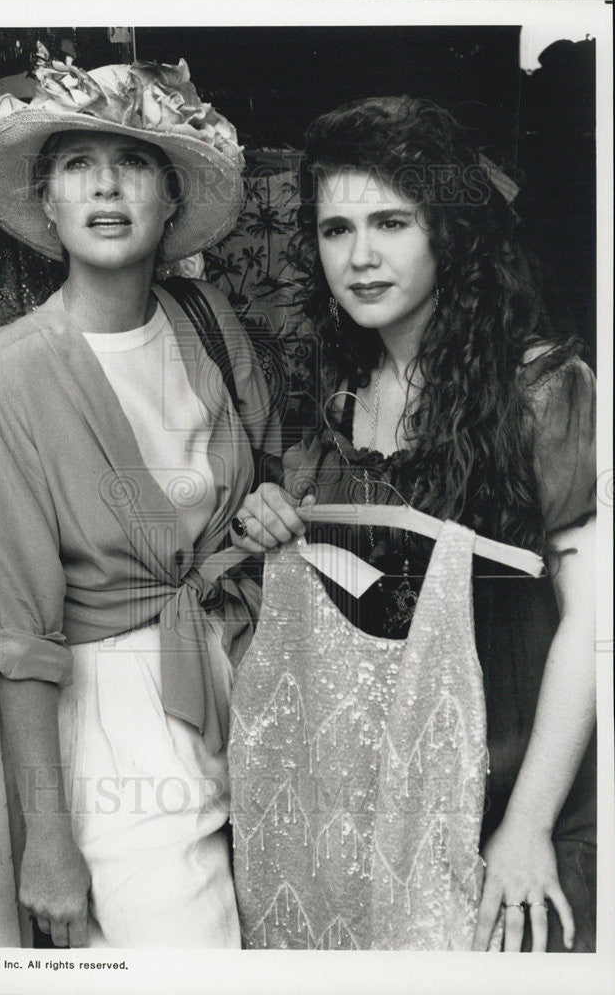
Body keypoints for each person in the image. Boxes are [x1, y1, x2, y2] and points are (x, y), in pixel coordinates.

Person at [229, 96, 596, 952]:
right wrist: (275, 522)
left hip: (522, 772)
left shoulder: (543, 388)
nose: (359, 258)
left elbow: (597, 621)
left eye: (391, 222)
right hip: (391, 785)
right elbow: (366, 598)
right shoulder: (334, 391)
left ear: (447, 232)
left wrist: (529, 827)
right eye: (335, 230)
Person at [0, 57, 280, 949]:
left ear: (171, 201)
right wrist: (48, 840)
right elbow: (16, 639)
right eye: (76, 164)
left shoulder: (205, 322)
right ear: (47, 202)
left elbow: (272, 471)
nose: (105, 184)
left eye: (133, 162)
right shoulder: (10, 375)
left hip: (243, 692)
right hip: (119, 742)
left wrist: (271, 511)